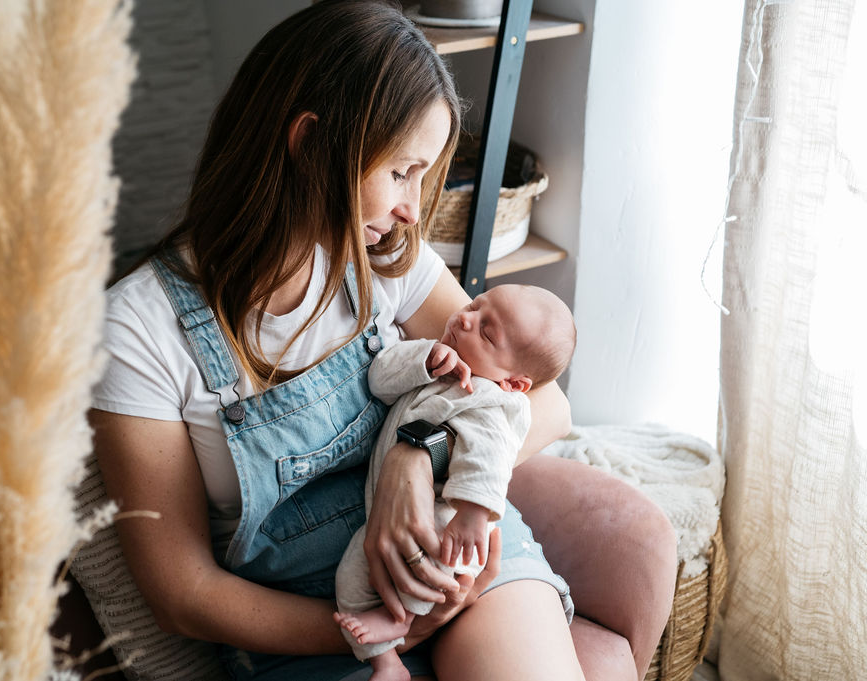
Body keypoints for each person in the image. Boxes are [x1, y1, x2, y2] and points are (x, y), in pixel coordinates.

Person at [79, 1, 678, 680]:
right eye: (401, 172)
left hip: (455, 556)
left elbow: (547, 405)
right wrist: (373, 629)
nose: (412, 207)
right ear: (309, 144)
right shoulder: (137, 329)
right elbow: (182, 594)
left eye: (423, 175)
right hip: (311, 618)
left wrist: (415, 455)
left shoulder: (387, 258)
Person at [334, 284, 577, 681]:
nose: (465, 319)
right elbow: (380, 379)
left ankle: (402, 619)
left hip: (451, 526)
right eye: (474, 306)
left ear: (514, 383)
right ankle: (387, 660)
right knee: (351, 575)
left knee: (423, 573)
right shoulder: (438, 364)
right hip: (383, 517)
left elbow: (490, 460)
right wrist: (424, 360)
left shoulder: (492, 402)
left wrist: (473, 514)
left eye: (486, 332)